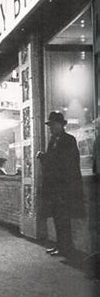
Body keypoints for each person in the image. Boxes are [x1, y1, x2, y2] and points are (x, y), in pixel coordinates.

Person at [37, 111, 84, 258]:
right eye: (49, 125)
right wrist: (44, 157)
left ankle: (66, 249)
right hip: (54, 188)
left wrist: (47, 158)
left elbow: (68, 164)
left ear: (60, 125)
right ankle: (60, 246)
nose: (50, 128)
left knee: (64, 220)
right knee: (58, 219)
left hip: (64, 188)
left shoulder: (69, 140)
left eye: (52, 125)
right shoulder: (53, 141)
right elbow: (52, 162)